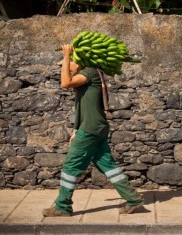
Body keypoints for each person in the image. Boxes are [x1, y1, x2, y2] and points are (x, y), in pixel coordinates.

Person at [42, 44, 144, 217]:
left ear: (78, 62)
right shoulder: (88, 74)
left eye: (69, 64)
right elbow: (82, 107)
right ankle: (133, 199)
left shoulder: (88, 73)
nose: (66, 67)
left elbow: (65, 83)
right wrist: (75, 129)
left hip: (90, 129)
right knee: (108, 165)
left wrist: (67, 54)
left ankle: (62, 207)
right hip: (95, 127)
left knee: (70, 165)